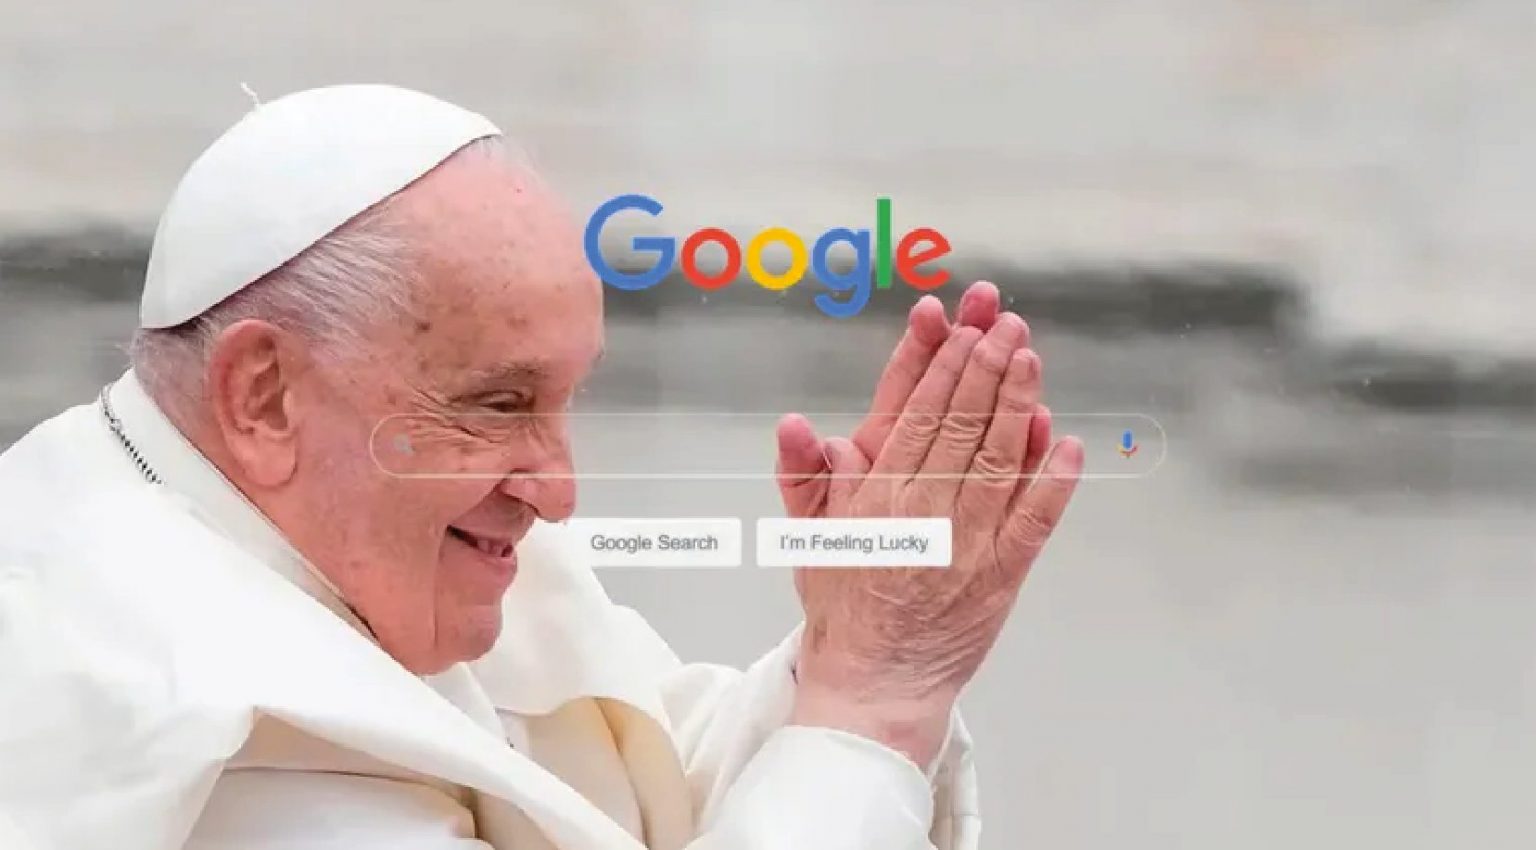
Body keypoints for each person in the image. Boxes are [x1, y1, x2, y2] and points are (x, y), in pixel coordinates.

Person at [0, 85, 1083, 850]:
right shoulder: (176, 728)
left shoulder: (357, 539)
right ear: (265, 396)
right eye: (501, 404)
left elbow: (653, 788)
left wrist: (853, 643)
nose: (558, 492)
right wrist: (872, 704)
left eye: (567, 402)